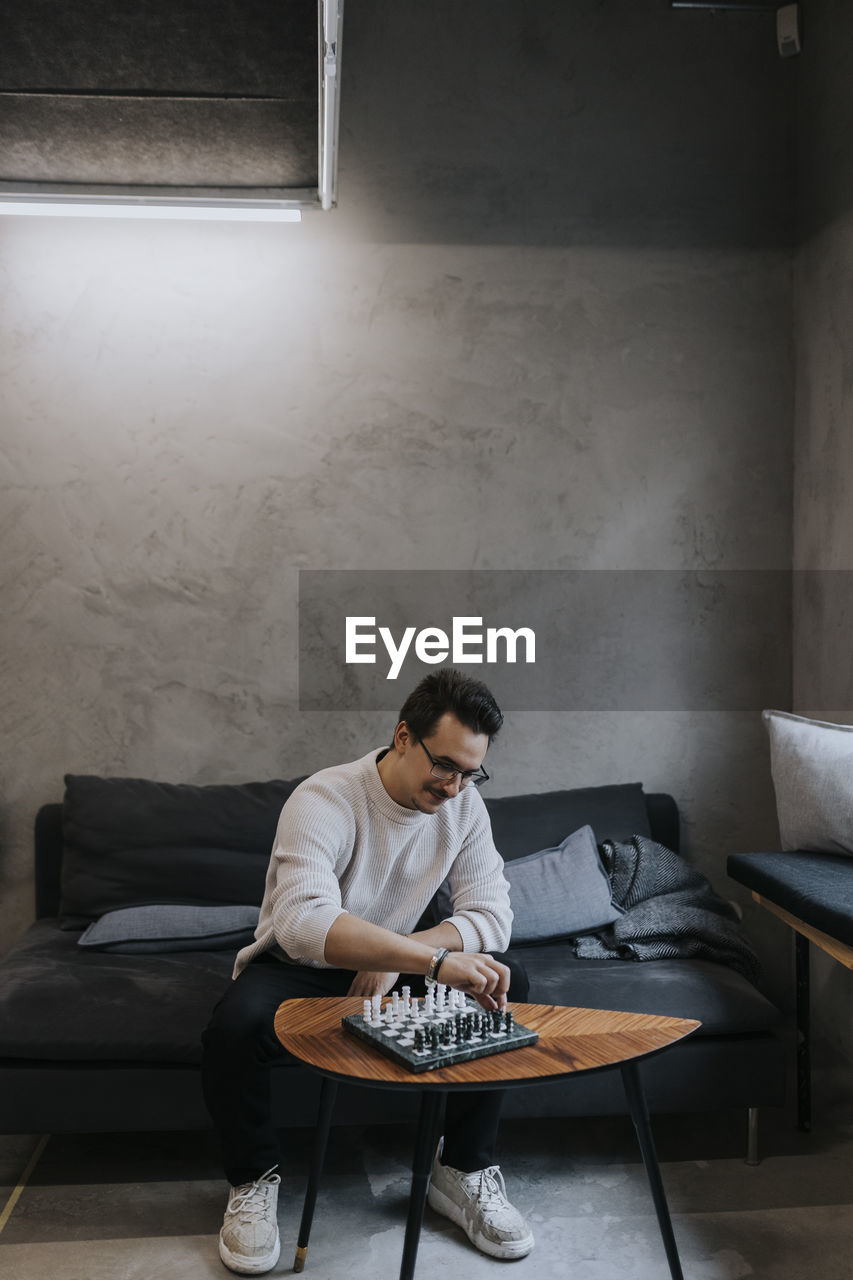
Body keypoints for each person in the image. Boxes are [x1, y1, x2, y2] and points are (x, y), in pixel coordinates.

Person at [202, 667, 533, 1274]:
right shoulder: (324, 797)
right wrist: (425, 959)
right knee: (235, 1023)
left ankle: (462, 1168)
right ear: (403, 736)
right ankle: (251, 1180)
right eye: (445, 766)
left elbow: (493, 915)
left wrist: (395, 955)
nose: (456, 787)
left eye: (470, 771)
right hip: (302, 965)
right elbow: (303, 923)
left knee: (503, 979)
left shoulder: (466, 809)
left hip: (395, 962)